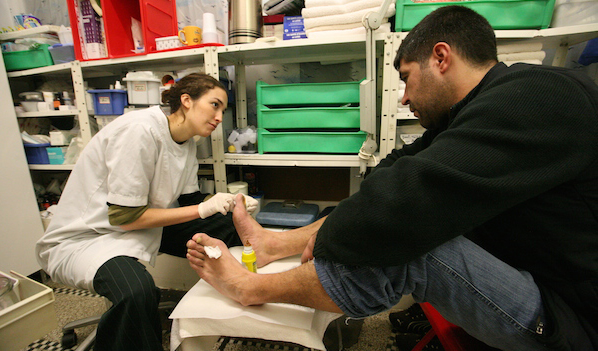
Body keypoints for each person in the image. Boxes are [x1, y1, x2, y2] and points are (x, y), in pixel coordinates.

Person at [186, 6, 598, 351]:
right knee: (390, 211)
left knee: (410, 242)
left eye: (405, 78)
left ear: (441, 57)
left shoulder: (540, 96)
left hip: (567, 316)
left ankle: (252, 288)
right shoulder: (474, 112)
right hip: (533, 276)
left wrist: (335, 236)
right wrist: (337, 230)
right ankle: (274, 243)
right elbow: (394, 172)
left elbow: (401, 203)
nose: (403, 97)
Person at [36, 73, 257, 351]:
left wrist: (232, 203)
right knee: (137, 292)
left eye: (223, 110)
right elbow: (124, 217)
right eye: (215, 105)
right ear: (186, 101)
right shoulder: (140, 130)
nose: (219, 116)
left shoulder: (187, 142)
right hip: (88, 237)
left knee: (230, 224)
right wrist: (203, 208)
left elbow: (190, 199)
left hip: (142, 225)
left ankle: (247, 293)